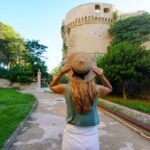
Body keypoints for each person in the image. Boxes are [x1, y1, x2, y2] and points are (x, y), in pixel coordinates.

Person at [49, 52, 112, 150]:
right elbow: (109, 88)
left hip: (71, 134)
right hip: (91, 134)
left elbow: (52, 86)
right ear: (90, 73)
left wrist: (60, 73)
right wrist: (101, 76)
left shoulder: (66, 88)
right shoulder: (96, 89)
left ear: (72, 72)